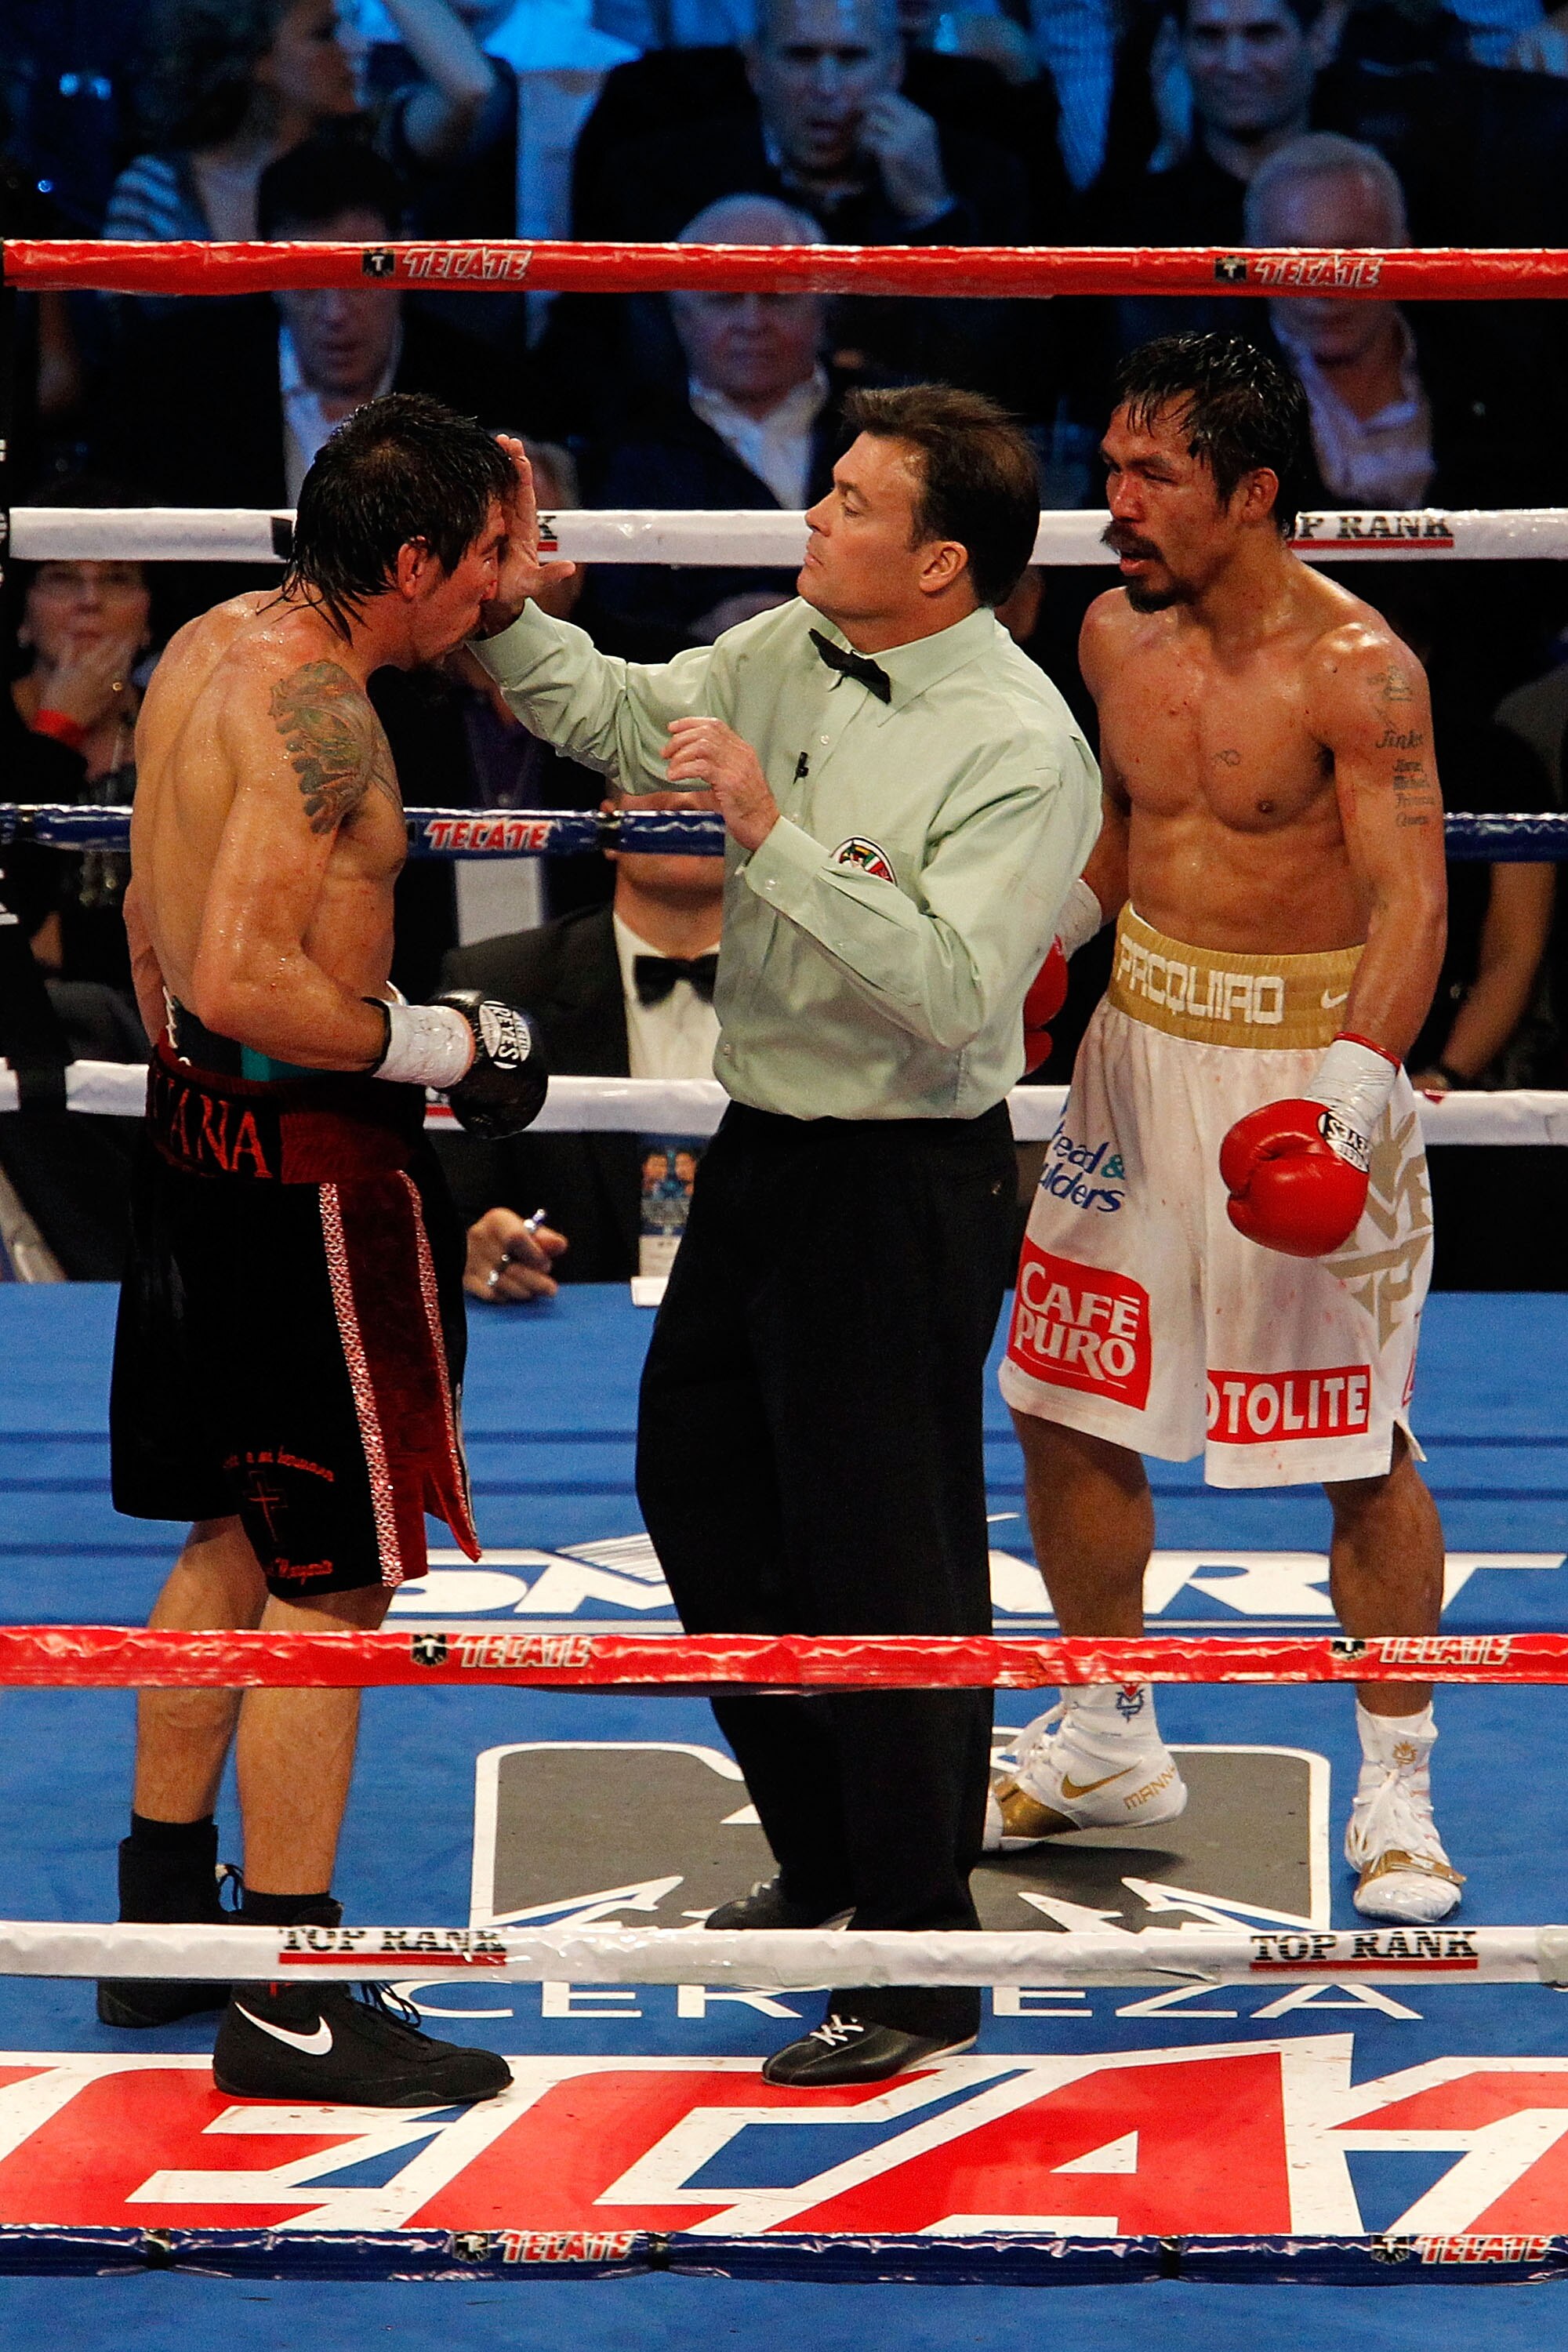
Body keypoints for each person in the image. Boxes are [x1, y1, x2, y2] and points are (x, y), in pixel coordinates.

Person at [468, 386, 1099, 2085]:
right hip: (764, 1153)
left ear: (941, 559)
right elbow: (617, 713)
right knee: (702, 1486)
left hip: (906, 1179)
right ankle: (828, 1856)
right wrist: (511, 606)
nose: (810, 517)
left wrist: (768, 831)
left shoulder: (1025, 746)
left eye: (846, 499)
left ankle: (917, 1957)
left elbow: (959, 990)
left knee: (888, 1555)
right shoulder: (784, 647)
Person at [101, 391, 547, 2105]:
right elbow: (237, 971)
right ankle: (288, 1990)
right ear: (412, 561)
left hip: (194, 1139)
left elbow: (154, 925)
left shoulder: (218, 641)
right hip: (304, 1173)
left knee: (236, 1520)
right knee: (329, 1578)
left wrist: (201, 1080)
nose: (499, 590)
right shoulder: (330, 727)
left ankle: (162, 1924)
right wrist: (446, 1043)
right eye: (484, 562)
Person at [994, 332, 1457, 1928]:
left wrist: (1345, 1104)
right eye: (1108, 469)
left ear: (1253, 492)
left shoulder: (1360, 670)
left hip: (1301, 1066)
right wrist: (1043, 942)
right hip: (1137, 1053)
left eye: (1152, 478)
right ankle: (1105, 1726)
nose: (1112, 505)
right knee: (1062, 1397)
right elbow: (1129, 831)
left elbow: (1413, 903)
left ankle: (1395, 1787)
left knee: (1359, 1447)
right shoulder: (1118, 634)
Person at [573, 0, 1034, 401]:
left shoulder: (979, 173)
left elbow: (1002, 378)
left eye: (851, 58)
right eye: (801, 57)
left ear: (894, 69)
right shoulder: (660, 175)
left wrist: (932, 216)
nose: (826, 88)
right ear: (755, 66)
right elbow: (609, 358)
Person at [93, 135, 520, 517]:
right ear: (269, 272)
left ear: (403, 260)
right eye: (307, 282)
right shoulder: (175, 382)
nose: (334, 313)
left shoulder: (483, 393)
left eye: (359, 279)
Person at [442, 791, 726, 1294]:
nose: (684, 797)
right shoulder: (499, 989)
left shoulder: (831, 992)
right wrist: (475, 1245)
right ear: (609, 821)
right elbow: (453, 1210)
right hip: (563, 1339)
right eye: (656, 767)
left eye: (710, 774)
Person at [588, 195, 848, 659]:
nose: (753, 323)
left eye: (778, 297)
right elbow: (604, 607)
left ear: (822, 307)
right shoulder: (622, 440)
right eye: (724, 299)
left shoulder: (890, 427)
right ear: (680, 316)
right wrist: (700, 631)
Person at [104, 0, 492, 245]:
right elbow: (134, 356)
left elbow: (470, 89)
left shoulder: (373, 152)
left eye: (350, 24)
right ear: (257, 59)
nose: (357, 46)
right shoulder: (157, 192)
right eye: (325, 34)